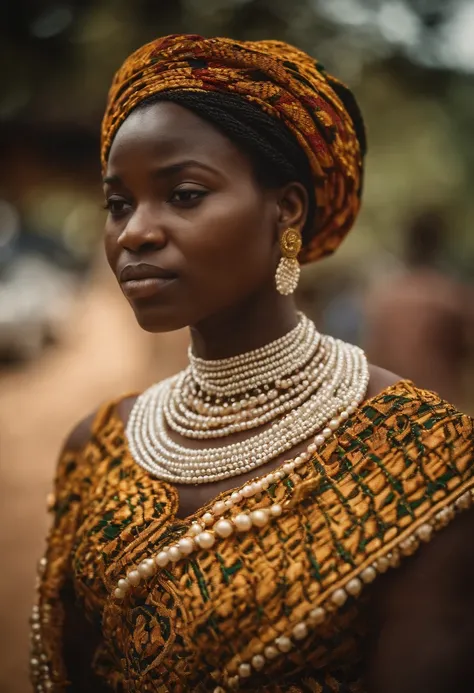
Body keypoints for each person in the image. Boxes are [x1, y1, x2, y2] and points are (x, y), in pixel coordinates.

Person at [30, 35, 474, 693]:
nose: (134, 232)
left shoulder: (425, 458)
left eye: (183, 194)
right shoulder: (96, 447)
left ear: (286, 209)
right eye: (118, 204)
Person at [365, 210, 472, 408]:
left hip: (395, 411)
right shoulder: (451, 297)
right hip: (443, 411)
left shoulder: (385, 298)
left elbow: (375, 355)